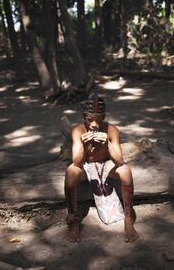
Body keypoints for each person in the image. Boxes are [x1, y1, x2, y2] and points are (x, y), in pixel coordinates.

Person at [64, 92, 139, 243]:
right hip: (86, 167)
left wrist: (107, 143)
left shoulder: (112, 130)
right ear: (83, 117)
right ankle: (73, 220)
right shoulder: (77, 130)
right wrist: (84, 145)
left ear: (104, 118)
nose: (94, 125)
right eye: (89, 120)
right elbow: (77, 163)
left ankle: (129, 218)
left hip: (107, 165)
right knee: (71, 172)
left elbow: (119, 162)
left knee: (125, 170)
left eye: (98, 120)